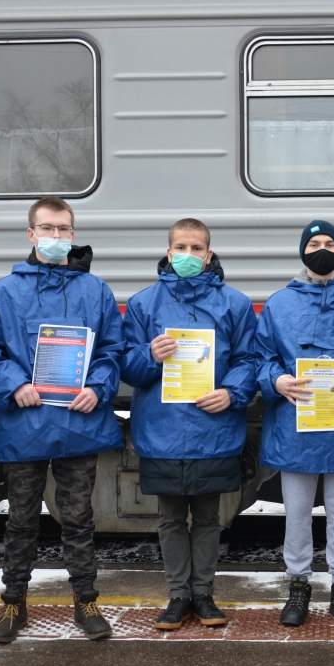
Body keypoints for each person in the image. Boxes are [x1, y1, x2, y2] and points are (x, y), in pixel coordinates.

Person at [0, 197, 125, 644]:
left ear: (73, 235)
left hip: (78, 424)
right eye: (47, 229)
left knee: (78, 519)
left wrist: (98, 387)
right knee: (20, 520)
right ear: (30, 234)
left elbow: (113, 349)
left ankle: (86, 600)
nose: (56, 238)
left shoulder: (95, 292)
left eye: (64, 230)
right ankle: (13, 604)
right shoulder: (3, 294)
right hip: (25, 424)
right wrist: (13, 383)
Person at [122, 218, 258, 630]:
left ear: (209, 255)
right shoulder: (144, 304)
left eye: (196, 248)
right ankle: (178, 595)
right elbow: (127, 367)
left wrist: (232, 394)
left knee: (208, 519)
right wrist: (150, 356)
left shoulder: (234, 304)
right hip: (162, 431)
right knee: (168, 519)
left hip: (212, 430)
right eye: (180, 247)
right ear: (168, 253)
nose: (188, 255)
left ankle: (204, 594)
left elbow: (249, 360)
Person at [254, 221, 334, 627]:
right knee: (298, 514)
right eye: (314, 244)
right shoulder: (279, 304)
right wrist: (276, 380)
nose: (322, 250)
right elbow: (261, 358)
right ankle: (298, 586)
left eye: (329, 244)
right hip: (296, 424)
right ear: (302, 251)